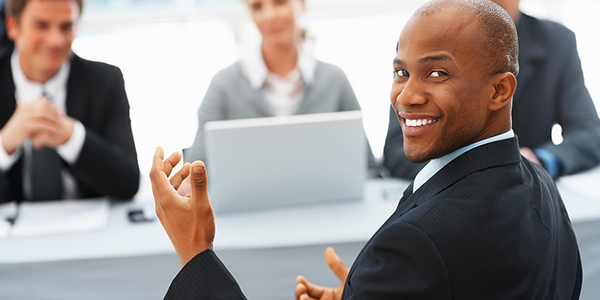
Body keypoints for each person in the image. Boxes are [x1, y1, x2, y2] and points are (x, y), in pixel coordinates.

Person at [150, 0, 582, 298]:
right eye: (400, 71)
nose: (406, 96)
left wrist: (196, 252)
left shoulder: (416, 244)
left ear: (500, 90)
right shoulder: (541, 185)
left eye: (436, 73)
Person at [383, 0, 600, 180]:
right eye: (401, 72)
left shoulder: (556, 41)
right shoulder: (426, 37)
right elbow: (397, 150)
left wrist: (539, 160)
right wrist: (473, 174)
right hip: (451, 192)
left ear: (501, 89)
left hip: (523, 189)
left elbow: (589, 133)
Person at [184, 0, 379, 176]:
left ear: (302, 4)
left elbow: (367, 167)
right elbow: (194, 172)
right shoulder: (223, 85)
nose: (269, 16)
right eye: (257, 6)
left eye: (280, 2)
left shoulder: (334, 80)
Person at [0, 0, 139, 202]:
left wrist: (72, 137)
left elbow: (129, 182)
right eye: (41, 25)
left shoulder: (105, 81)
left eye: (66, 27)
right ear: (12, 26)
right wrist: (5, 144)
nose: (56, 41)